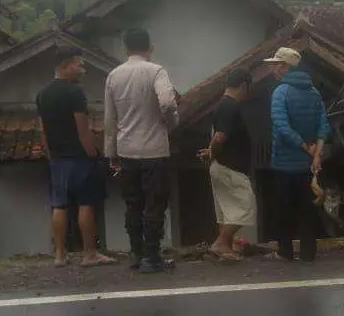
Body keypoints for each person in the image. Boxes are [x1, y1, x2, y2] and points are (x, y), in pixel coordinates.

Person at [104, 28, 180, 273]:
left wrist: (111, 153)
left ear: (126, 48)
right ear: (151, 47)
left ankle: (136, 254)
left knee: (133, 204)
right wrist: (170, 123)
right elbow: (168, 102)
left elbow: (109, 120)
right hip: (155, 150)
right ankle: (152, 256)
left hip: (126, 151)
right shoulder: (156, 71)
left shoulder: (113, 76)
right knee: (155, 204)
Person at [36, 46, 116, 268]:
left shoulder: (42, 94)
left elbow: (42, 129)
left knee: (59, 205)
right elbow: (83, 130)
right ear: (65, 65)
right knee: (86, 203)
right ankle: (89, 253)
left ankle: (60, 255)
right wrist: (93, 153)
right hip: (79, 157)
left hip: (57, 158)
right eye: (79, 65)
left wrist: (50, 154)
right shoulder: (74, 93)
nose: (82, 70)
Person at [263, 47, 330, 262]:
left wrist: (304, 147)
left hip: (284, 163)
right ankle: (308, 254)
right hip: (307, 165)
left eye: (275, 65)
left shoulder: (280, 92)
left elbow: (282, 126)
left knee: (283, 210)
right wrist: (316, 153)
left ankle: (285, 252)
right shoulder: (314, 92)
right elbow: (323, 125)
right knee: (307, 211)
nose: (272, 69)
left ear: (285, 67)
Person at [197, 67, 255, 262]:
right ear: (244, 85)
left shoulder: (221, 105)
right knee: (246, 206)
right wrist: (212, 150)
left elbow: (219, 135)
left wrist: (210, 150)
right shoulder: (230, 106)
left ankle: (226, 248)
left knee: (228, 210)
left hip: (223, 165)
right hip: (230, 166)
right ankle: (221, 243)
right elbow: (221, 136)